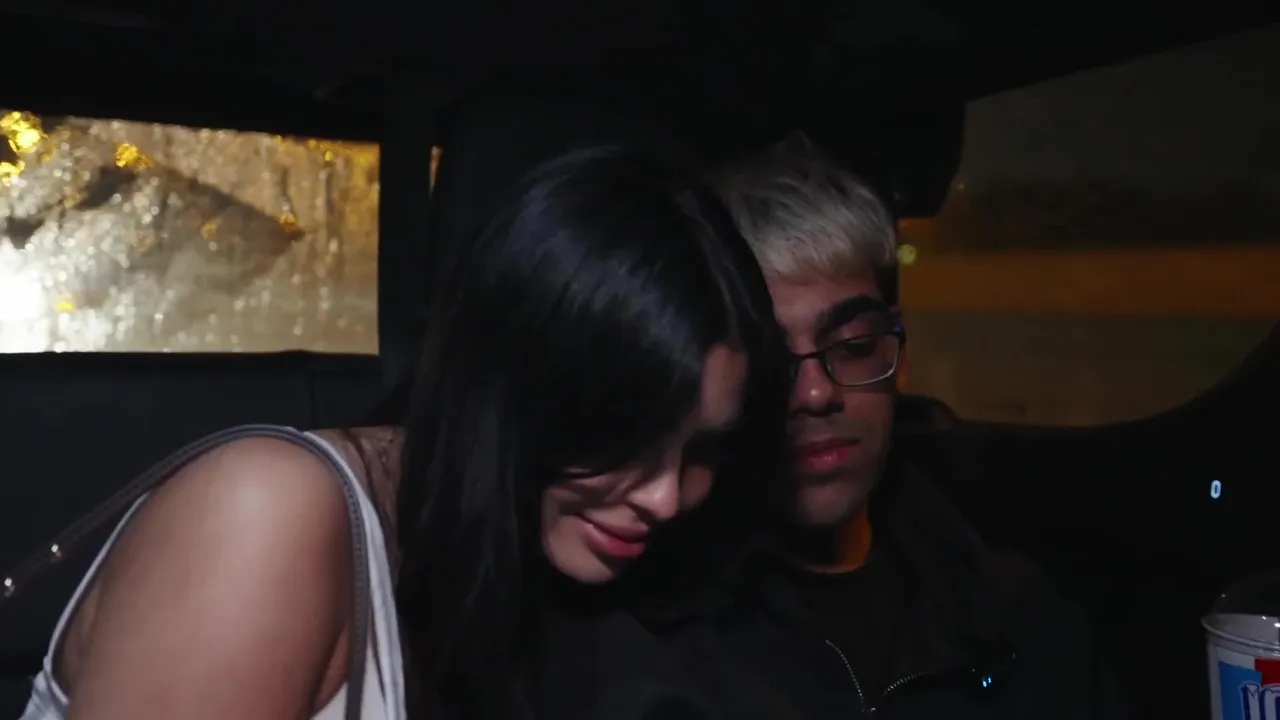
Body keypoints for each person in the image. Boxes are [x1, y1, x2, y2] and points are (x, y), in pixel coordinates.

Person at [18, 146, 789, 720]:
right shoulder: (264, 511)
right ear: (514, 383)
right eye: (626, 431)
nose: (665, 497)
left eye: (701, 450)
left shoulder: (511, 580)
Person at [685, 135, 1127, 718]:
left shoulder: (1017, 618)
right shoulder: (663, 644)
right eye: (770, 359)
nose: (815, 393)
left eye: (853, 345)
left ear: (900, 353)